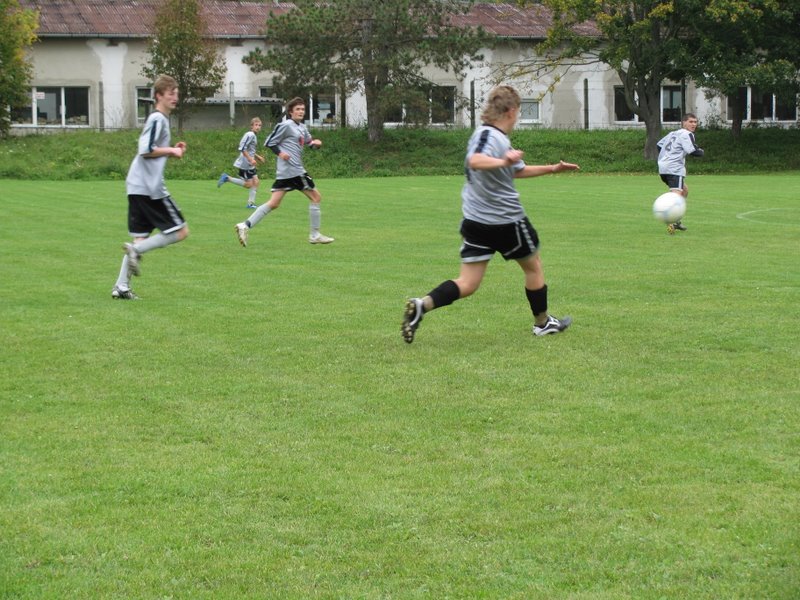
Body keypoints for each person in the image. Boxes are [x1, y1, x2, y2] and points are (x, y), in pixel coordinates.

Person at [401, 85, 579, 343]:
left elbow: (517, 170)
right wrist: (504, 161)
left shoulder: (490, 136)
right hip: (507, 221)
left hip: (476, 222)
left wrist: (552, 168)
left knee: (468, 283)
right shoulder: (490, 136)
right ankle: (542, 323)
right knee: (534, 267)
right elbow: (475, 160)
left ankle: (422, 305)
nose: (518, 117)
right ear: (511, 111)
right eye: (519, 112)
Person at [111, 74, 188, 300]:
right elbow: (145, 149)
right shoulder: (158, 119)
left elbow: (153, 150)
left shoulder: (159, 120)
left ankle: (121, 287)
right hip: (149, 188)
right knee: (180, 231)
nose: (175, 98)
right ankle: (135, 252)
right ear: (159, 96)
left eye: (177, 94)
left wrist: (171, 150)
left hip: (136, 186)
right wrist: (171, 150)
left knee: (141, 238)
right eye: (171, 94)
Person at [234, 97, 334, 247]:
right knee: (316, 197)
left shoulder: (302, 128)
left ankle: (245, 225)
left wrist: (316, 144)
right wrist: (281, 153)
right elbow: (269, 142)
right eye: (297, 109)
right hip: (294, 170)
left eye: (302, 109)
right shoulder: (285, 125)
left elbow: (309, 143)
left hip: (286, 173)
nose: (301, 112)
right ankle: (315, 235)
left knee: (274, 203)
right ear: (290, 112)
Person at [656, 112, 704, 234]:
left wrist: (667, 156)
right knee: (676, 196)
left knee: (684, 190)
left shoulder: (673, 133)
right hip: (674, 168)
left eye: (695, 122)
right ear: (684, 123)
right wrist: (701, 152)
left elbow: (659, 145)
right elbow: (693, 151)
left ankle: (676, 220)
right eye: (690, 122)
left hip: (663, 167)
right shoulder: (687, 134)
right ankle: (670, 221)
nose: (693, 124)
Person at [217, 117, 265, 208]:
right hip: (245, 164)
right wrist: (251, 159)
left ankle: (250, 204)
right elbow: (242, 148)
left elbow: (249, 150)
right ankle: (227, 178)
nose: (258, 127)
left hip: (249, 163)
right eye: (256, 125)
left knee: (256, 182)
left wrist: (257, 157)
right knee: (249, 184)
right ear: (251, 126)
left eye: (260, 125)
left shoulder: (253, 135)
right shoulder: (250, 135)